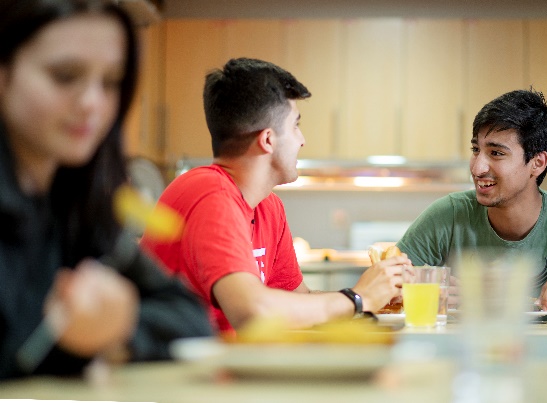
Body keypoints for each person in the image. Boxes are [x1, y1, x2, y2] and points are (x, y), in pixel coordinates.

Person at [0, 0, 212, 380]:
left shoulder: (81, 203)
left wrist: (120, 329)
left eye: (111, 82)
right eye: (65, 75)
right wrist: (73, 341)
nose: (92, 103)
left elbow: (191, 319)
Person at [140, 58, 407, 335]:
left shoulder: (268, 206)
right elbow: (253, 313)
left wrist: (375, 296)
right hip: (174, 372)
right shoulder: (211, 195)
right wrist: (357, 298)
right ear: (268, 140)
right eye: (295, 126)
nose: (302, 140)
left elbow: (298, 303)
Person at [396, 88, 547, 315]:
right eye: (476, 150)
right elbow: (383, 288)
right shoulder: (448, 215)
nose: (477, 168)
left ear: (537, 163)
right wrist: (421, 294)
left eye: (496, 153)